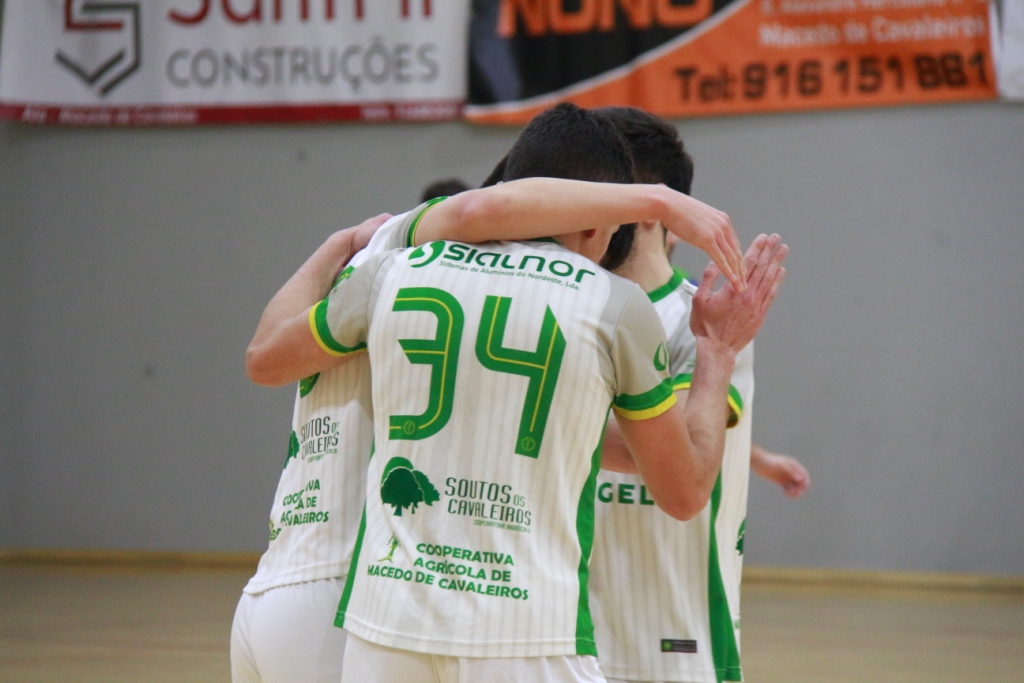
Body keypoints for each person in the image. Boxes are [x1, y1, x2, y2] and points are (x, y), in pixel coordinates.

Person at [244, 102, 786, 683]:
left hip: (374, 618)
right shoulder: (610, 305)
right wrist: (718, 350)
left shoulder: (394, 263)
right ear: (597, 218)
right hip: (525, 630)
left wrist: (334, 248)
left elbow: (265, 359)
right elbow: (683, 488)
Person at [588, 106, 805, 683]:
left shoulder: (702, 318)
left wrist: (532, 419)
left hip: (673, 642)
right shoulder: (569, 304)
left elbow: (675, 445)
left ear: (647, 204)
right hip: (566, 634)